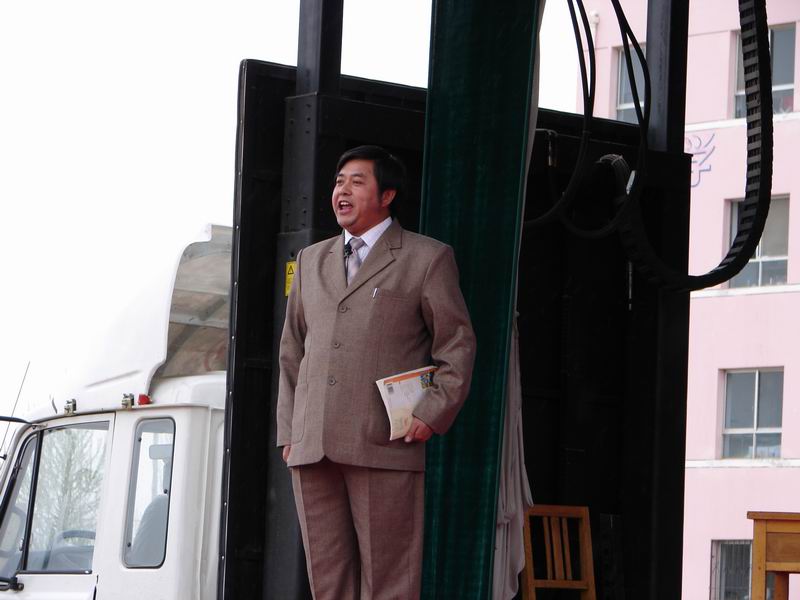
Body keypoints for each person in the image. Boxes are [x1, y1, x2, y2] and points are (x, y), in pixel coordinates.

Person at [276, 145, 476, 600]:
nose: (342, 191)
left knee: (390, 581)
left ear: (387, 195)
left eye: (357, 181)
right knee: (328, 582)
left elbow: (457, 344)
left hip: (385, 442)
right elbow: (292, 350)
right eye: (338, 182)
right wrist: (290, 431)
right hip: (311, 444)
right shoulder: (310, 259)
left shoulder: (427, 258)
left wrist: (432, 412)